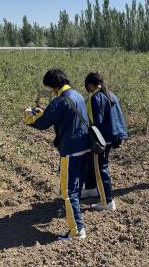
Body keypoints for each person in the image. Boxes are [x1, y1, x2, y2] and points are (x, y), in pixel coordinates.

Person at [24, 69, 90, 240]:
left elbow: (43, 123)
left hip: (70, 149)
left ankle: (77, 231)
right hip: (85, 147)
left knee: (68, 192)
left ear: (53, 85)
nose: (51, 91)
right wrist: (43, 113)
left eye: (50, 87)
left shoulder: (59, 100)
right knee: (75, 189)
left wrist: (29, 117)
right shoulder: (78, 95)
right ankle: (77, 227)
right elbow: (61, 116)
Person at [80, 73, 128, 211]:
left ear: (90, 84)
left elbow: (96, 122)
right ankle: (91, 189)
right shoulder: (111, 95)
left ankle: (107, 201)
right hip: (111, 136)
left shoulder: (96, 97)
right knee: (95, 165)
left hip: (101, 140)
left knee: (101, 169)